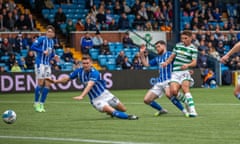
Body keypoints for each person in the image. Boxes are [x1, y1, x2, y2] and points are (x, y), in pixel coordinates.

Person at [47, 55, 138, 120]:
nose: (85, 65)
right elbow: (67, 79)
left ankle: (111, 111)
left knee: (123, 109)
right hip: (96, 100)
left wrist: (82, 96)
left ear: (91, 63)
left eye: (87, 63)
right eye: (84, 63)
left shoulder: (95, 73)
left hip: (105, 94)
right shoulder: (79, 71)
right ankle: (129, 117)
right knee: (113, 111)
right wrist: (55, 81)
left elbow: (90, 85)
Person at [140, 40, 189, 117]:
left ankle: (184, 110)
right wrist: (141, 53)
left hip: (169, 80)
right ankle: (161, 110)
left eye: (159, 47)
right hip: (159, 82)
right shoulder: (158, 58)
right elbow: (146, 64)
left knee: (169, 94)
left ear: (164, 46)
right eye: (156, 47)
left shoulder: (170, 55)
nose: (157, 49)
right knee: (146, 100)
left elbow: (180, 62)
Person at [162, 30, 198, 117]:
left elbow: (194, 62)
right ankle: (187, 102)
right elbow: (171, 57)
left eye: (185, 38)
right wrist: (166, 63)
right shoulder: (178, 46)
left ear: (190, 38)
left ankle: (193, 111)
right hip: (175, 72)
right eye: (182, 38)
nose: (183, 40)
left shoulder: (193, 49)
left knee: (185, 89)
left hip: (185, 72)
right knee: (173, 91)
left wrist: (187, 65)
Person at [30, 25, 58, 112]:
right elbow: (32, 47)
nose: (49, 33)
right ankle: (36, 103)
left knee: (48, 84)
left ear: (53, 34)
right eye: (48, 31)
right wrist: (42, 51)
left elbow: (50, 53)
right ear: (46, 32)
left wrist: (54, 56)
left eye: (51, 32)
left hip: (47, 64)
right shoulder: (42, 39)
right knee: (40, 83)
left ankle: (42, 104)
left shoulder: (52, 42)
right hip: (40, 64)